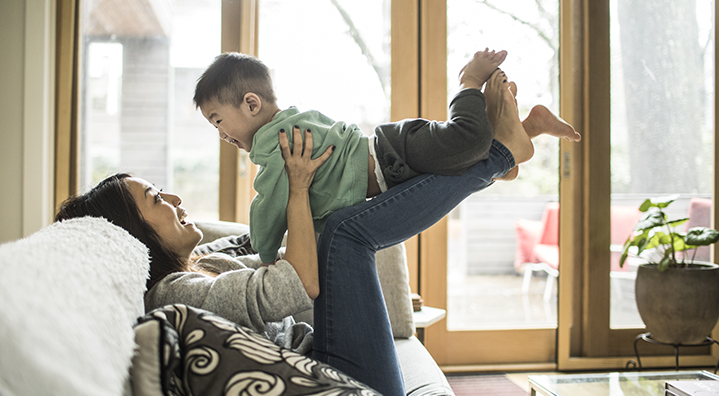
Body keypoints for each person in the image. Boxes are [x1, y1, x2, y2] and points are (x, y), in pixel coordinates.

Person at [56, 68, 570, 396]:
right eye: (156, 201)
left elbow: (264, 250)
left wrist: (362, 297)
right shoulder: (175, 293)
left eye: (165, 192)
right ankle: (500, 154)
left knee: (346, 222)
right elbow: (298, 281)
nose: (174, 201)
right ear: (138, 235)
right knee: (345, 231)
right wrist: (298, 189)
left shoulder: (201, 262)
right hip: (332, 378)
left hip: (329, 353)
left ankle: (501, 150)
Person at [193, 49, 581, 264]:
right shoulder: (291, 122)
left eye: (217, 120)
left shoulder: (277, 147)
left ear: (250, 103)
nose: (221, 134)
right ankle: (529, 127)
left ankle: (469, 82)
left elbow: (266, 216)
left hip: (394, 153)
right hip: (394, 164)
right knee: (472, 164)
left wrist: (258, 247)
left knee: (469, 141)